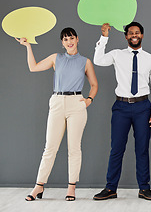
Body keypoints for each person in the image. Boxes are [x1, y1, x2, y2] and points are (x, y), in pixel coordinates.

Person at [17, 27, 98, 201]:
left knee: (74, 148)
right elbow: (34, 67)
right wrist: (28, 47)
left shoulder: (85, 61)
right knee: (50, 147)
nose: (69, 42)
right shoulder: (56, 58)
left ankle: (71, 188)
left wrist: (89, 100)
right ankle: (38, 186)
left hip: (77, 103)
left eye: (71, 38)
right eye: (65, 39)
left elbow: (94, 85)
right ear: (62, 43)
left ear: (77, 39)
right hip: (57, 101)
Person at [93, 22, 151, 201]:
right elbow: (98, 60)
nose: (134, 35)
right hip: (121, 107)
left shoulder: (150, 59)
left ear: (142, 35)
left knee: (142, 149)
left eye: (137, 32)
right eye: (130, 33)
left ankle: (144, 188)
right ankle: (110, 188)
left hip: (142, 108)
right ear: (126, 36)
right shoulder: (117, 54)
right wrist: (104, 37)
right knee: (116, 148)